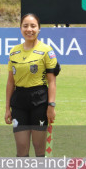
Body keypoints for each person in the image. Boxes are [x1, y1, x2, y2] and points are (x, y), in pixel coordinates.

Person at [4, 13, 60, 157]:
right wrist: (7, 108)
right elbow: (11, 81)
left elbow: (52, 81)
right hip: (19, 102)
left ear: (39, 29)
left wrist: (51, 106)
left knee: (39, 147)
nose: (29, 29)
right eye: (25, 26)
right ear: (20, 28)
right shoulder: (14, 51)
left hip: (39, 101)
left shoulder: (46, 51)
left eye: (33, 26)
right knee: (21, 148)